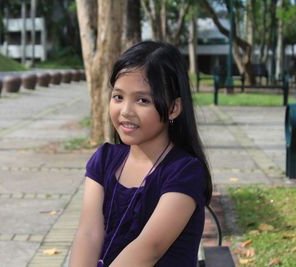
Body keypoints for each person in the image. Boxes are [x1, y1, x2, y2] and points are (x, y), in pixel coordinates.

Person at [69, 41, 212, 267]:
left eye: (142, 100)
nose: (125, 111)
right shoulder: (104, 160)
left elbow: (149, 248)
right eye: (118, 97)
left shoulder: (185, 172)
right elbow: (88, 234)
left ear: (173, 108)